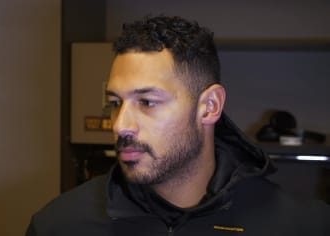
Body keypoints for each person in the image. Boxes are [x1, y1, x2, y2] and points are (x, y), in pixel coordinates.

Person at [26, 15, 330, 235]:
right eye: (116, 103)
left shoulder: (305, 225)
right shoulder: (59, 225)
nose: (120, 126)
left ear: (209, 107)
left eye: (147, 102)